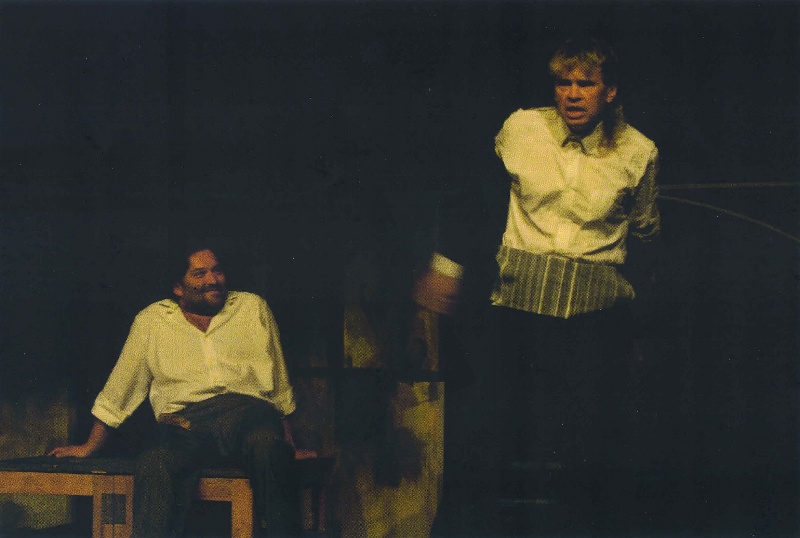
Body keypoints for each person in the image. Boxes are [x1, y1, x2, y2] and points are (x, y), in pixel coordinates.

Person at [416, 36, 661, 536]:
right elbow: (472, 195)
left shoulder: (638, 151)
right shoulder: (523, 128)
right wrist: (446, 264)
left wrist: (641, 321)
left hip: (594, 311)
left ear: (610, 91)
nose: (572, 93)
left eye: (585, 83)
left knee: (592, 449)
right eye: (563, 82)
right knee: (483, 437)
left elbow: (646, 233)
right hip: (518, 304)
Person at [49, 244, 316, 537]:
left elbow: (277, 381)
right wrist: (89, 446)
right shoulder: (152, 321)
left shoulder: (252, 308)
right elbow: (121, 387)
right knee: (155, 462)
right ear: (178, 287)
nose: (213, 280)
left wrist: (288, 444)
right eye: (200, 274)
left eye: (217, 271)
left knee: (268, 448)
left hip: (246, 415)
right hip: (183, 424)